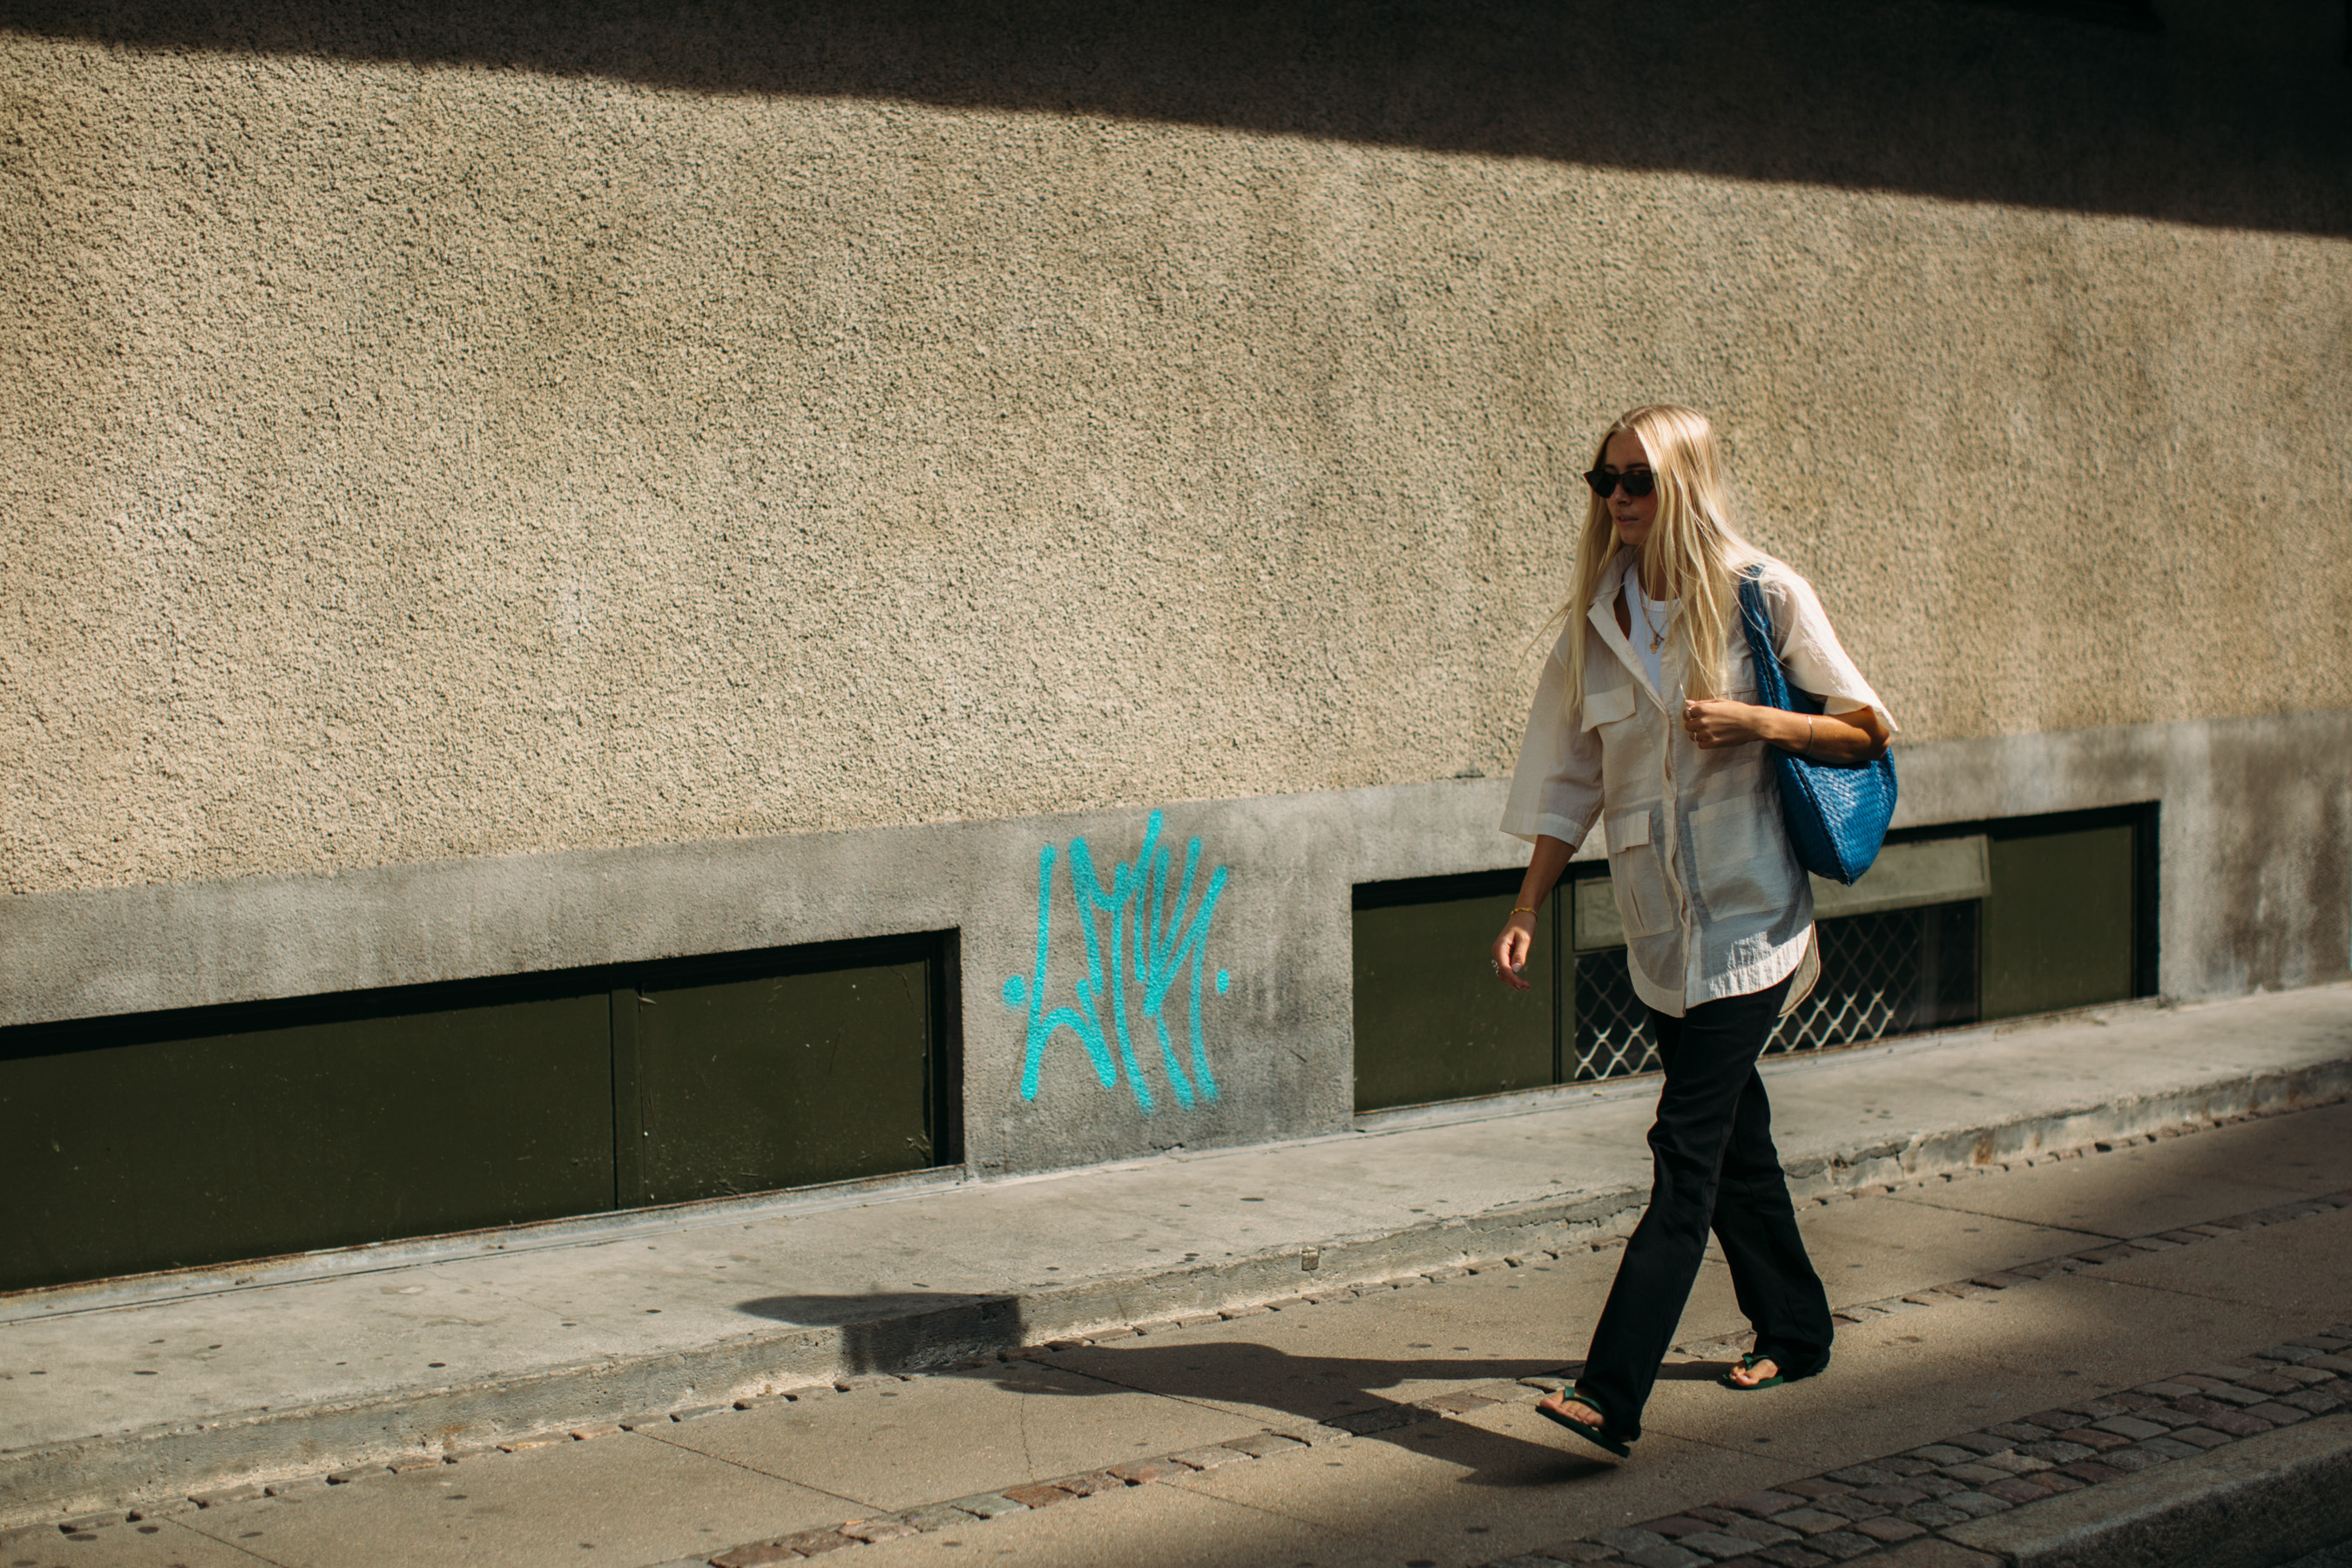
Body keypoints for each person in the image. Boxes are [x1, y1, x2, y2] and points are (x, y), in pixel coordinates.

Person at [1489, 403, 1896, 1459]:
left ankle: (1607, 1393)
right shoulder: (1600, 620)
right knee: (1737, 1148)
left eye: (1639, 481)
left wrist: (1757, 720)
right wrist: (1528, 904)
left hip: (1756, 922)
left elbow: (1865, 731)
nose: (1617, 500)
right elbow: (1566, 777)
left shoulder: (1762, 593)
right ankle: (1799, 1329)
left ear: (1686, 485)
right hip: (1661, 932)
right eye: (1604, 480)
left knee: (1684, 1153)